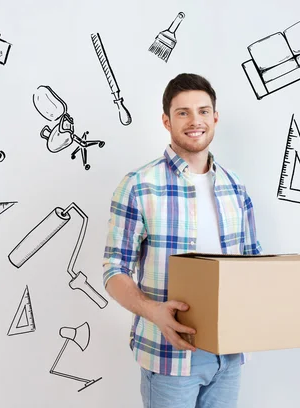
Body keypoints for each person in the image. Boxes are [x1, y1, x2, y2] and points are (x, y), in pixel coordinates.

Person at [102, 73, 263, 408]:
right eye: (183, 112)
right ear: (166, 120)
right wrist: (152, 311)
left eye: (203, 111)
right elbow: (113, 271)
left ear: (215, 118)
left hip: (229, 354)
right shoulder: (138, 185)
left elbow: (254, 264)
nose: (195, 121)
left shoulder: (236, 187)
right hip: (169, 354)